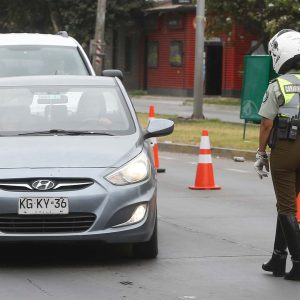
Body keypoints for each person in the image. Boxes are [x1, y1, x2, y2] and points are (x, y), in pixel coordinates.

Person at [254, 29, 300, 281]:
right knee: (287, 207)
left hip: (286, 149)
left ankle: (298, 262)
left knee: (286, 208)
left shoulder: (278, 85)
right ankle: (278, 259)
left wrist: (261, 153)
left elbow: (266, 124)